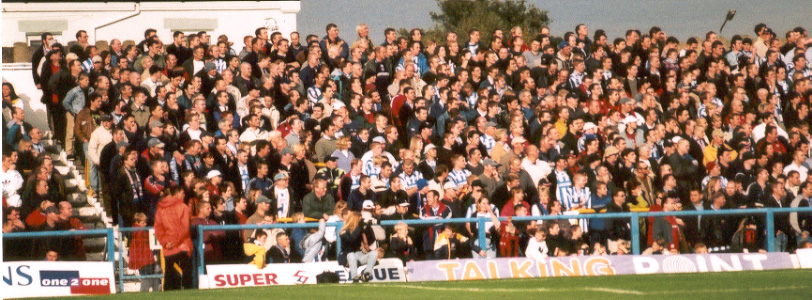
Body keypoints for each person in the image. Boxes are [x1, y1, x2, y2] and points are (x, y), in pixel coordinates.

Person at [154, 187, 193, 290]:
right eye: (182, 192)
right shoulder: (183, 207)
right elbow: (184, 228)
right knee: (186, 278)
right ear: (176, 193)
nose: (184, 195)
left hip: (168, 248)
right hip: (182, 246)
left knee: (170, 277)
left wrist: (165, 242)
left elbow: (158, 228)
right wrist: (175, 242)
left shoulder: (160, 208)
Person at [339, 210, 377, 283]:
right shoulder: (344, 231)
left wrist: (367, 228)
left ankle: (367, 273)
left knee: (374, 253)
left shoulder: (360, 229)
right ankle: (355, 277)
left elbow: (370, 240)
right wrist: (359, 228)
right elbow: (351, 240)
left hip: (359, 255)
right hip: (347, 256)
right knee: (351, 255)